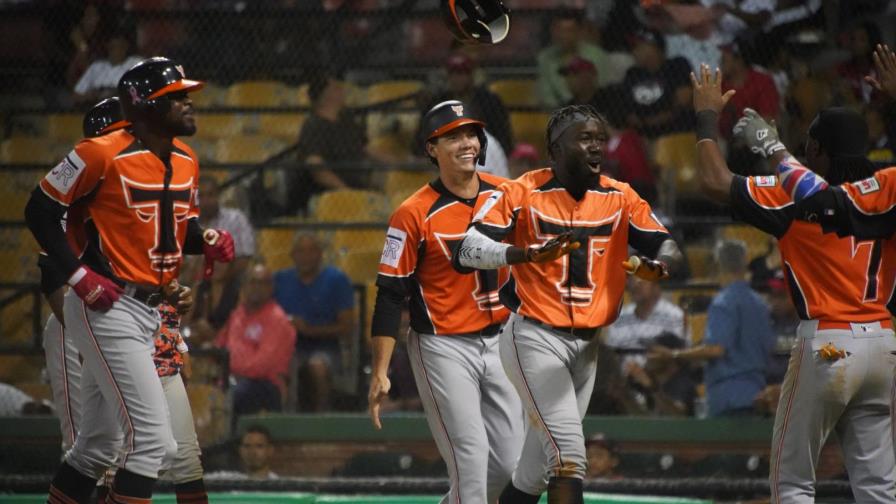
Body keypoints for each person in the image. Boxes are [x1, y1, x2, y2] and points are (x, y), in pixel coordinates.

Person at [24, 57, 235, 503]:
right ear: (145, 107)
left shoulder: (186, 159)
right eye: (175, 98)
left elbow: (176, 230)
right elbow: (39, 210)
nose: (188, 103)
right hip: (107, 304)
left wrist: (208, 238)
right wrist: (78, 275)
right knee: (154, 442)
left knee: (97, 447)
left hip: (150, 308)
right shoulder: (97, 151)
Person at [690, 62, 896, 503]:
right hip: (884, 345)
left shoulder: (789, 193)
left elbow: (712, 180)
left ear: (816, 148)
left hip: (828, 343)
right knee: (880, 486)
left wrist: (706, 117)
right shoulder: (888, 187)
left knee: (793, 483)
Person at [454, 104, 682, 502]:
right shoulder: (520, 191)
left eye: (599, 138)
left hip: (589, 345)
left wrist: (660, 265)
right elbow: (467, 249)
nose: (596, 147)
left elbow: (667, 245)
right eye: (584, 138)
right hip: (535, 337)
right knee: (570, 459)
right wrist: (523, 255)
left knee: (535, 473)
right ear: (555, 150)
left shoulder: (620, 195)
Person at [367, 100, 522, 503]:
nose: (466, 142)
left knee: (510, 467)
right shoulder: (412, 213)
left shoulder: (508, 194)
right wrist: (380, 371)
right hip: (443, 345)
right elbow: (389, 294)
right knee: (470, 460)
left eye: (471, 134)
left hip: (501, 340)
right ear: (431, 148)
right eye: (452, 136)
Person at [650, 240, 775, 417]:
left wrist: (672, 354)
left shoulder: (723, 302)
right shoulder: (760, 303)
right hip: (759, 396)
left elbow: (716, 349)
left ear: (717, 265)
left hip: (728, 398)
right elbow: (768, 347)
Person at [273, 233, 354, 412]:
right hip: (288, 347)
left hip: (326, 348)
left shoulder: (336, 280)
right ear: (293, 255)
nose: (306, 256)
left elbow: (347, 326)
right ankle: (284, 416)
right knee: (280, 364)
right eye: (301, 251)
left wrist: (309, 330)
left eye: (312, 251)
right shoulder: (280, 280)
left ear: (320, 254)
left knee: (317, 366)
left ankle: (321, 417)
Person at [217, 262, 296, 419]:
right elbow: (219, 347)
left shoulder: (277, 319)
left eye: (263, 283)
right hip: (233, 380)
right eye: (252, 282)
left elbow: (262, 366)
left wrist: (229, 367)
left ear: (271, 288)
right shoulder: (237, 315)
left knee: (235, 395)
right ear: (244, 286)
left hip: (265, 386)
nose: (257, 287)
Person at [182, 175, 256, 344]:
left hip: (233, 278)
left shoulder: (235, 218)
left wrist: (219, 270)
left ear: (219, 196)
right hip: (196, 281)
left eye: (211, 195)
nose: (207, 200)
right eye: (202, 196)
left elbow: (246, 257)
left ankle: (221, 336)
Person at [416, 53, 513, 154]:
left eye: (462, 73)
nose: (457, 78)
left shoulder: (489, 101)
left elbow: (503, 136)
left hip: (484, 154)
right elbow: (422, 137)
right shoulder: (437, 102)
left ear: (471, 76)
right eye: (453, 73)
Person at [604, 276, 685, 380]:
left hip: (664, 384)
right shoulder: (619, 318)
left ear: (655, 284)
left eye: (642, 278)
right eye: (632, 279)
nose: (635, 284)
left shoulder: (674, 315)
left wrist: (648, 379)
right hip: (624, 385)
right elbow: (611, 356)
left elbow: (680, 359)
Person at [621, 29, 694, 138]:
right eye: (633, 48)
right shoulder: (632, 74)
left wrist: (646, 120)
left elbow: (684, 100)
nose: (635, 51)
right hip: (644, 140)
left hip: (680, 135)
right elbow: (629, 114)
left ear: (656, 47)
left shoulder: (677, 65)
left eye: (640, 46)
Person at [536, 9, 611, 108]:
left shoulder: (597, 56)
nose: (563, 35)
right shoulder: (545, 57)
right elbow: (546, 95)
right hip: (557, 113)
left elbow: (602, 89)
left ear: (579, 32)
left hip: (594, 109)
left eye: (568, 30)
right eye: (559, 30)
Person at [72, 30, 142, 104]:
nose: (117, 50)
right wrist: (91, 96)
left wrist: (115, 93)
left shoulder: (136, 63)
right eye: (113, 47)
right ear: (108, 47)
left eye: (121, 46)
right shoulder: (96, 67)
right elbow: (76, 95)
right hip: (97, 106)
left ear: (127, 47)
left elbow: (142, 91)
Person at [206, 425, 279, 480]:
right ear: (240, 451)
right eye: (247, 446)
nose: (252, 452)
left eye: (259, 446)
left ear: (270, 450)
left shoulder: (280, 486)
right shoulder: (227, 480)